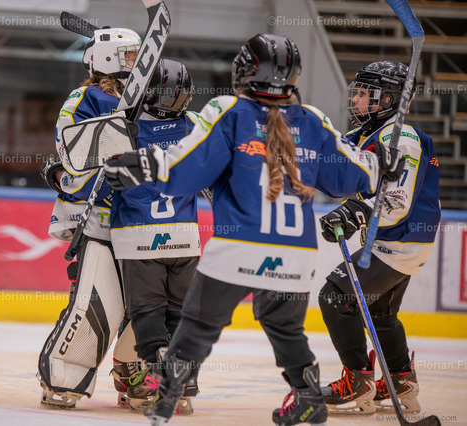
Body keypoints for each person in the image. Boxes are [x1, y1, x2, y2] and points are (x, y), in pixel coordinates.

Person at [104, 34, 404, 425]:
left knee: (198, 324)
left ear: (244, 71)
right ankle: (308, 399)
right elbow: (349, 176)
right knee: (286, 329)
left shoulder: (229, 111)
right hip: (296, 254)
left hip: (240, 245)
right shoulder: (313, 120)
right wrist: (382, 165)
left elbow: (188, 168)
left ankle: (167, 399)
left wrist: (142, 166)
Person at [318, 61, 440, 415]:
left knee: (335, 296)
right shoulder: (369, 134)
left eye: (364, 94)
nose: (356, 99)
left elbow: (397, 201)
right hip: (398, 241)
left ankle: (358, 379)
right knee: (380, 313)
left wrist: (354, 212)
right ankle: (402, 379)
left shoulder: (401, 138)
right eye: (356, 92)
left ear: (388, 99)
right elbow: (333, 164)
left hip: (399, 242)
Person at [37, 26, 141, 408]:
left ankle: (132, 373)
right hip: (95, 216)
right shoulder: (85, 97)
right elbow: (73, 156)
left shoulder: (135, 97)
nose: (136, 62)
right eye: (129, 55)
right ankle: (63, 376)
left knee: (141, 303)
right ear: (108, 58)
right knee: (95, 299)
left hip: (133, 218)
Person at [109, 58, 200, 412]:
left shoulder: (124, 128)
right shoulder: (195, 127)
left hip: (139, 237)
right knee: (179, 314)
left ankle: (157, 377)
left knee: (147, 313)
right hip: (185, 238)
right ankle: (186, 382)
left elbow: (101, 178)